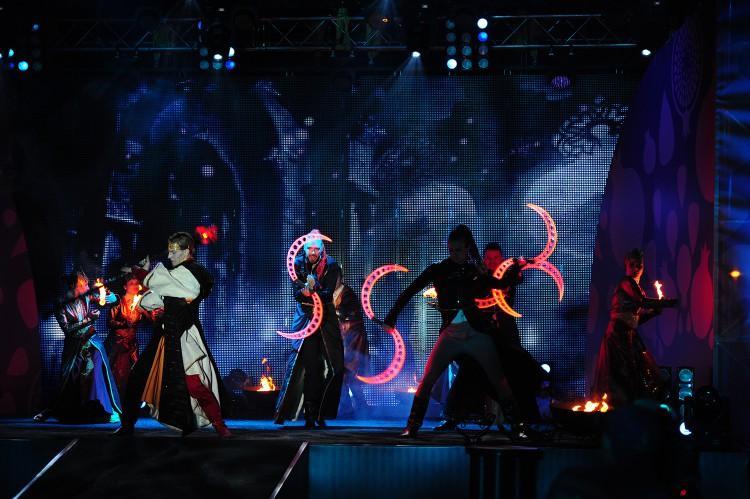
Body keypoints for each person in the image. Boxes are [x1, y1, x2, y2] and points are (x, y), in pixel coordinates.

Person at [382, 224, 528, 438]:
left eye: (458, 250)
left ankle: (519, 427)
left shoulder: (475, 272)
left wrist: (516, 268)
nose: (454, 254)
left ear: (467, 248)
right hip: (451, 334)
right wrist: (391, 318)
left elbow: (501, 283)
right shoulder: (438, 269)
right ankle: (412, 426)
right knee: (427, 379)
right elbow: (410, 290)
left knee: (498, 379)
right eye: (451, 250)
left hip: (476, 333)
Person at [114, 232, 230, 437]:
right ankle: (127, 424)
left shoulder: (194, 272)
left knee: (193, 383)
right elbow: (156, 296)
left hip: (184, 335)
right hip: (164, 334)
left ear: (186, 251)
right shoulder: (173, 275)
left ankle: (219, 424)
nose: (169, 256)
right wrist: (145, 280)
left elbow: (184, 289)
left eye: (174, 252)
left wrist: (143, 273)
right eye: (169, 251)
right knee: (137, 377)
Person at [437, 242, 545, 430]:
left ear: (502, 259)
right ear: (484, 259)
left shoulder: (507, 276)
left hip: (505, 334)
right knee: (471, 370)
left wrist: (518, 266)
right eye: (488, 258)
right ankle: (457, 416)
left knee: (513, 373)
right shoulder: (478, 278)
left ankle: (522, 419)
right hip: (482, 333)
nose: (492, 261)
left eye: (496, 258)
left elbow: (517, 278)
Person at [275, 230, 344, 428]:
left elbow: (328, 293)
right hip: (306, 319)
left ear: (322, 249)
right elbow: (296, 293)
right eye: (310, 249)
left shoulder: (332, 265)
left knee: (334, 368)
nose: (313, 252)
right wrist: (305, 292)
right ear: (304, 249)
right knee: (310, 367)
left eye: (316, 249)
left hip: (326, 320)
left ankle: (321, 412)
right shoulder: (297, 263)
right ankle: (309, 414)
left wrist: (314, 290)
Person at [592, 248, 677, 407]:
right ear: (626, 265)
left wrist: (654, 312)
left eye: (639, 265)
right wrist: (664, 303)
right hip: (617, 336)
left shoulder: (637, 288)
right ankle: (619, 408)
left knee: (633, 374)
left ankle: (630, 408)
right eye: (632, 265)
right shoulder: (627, 283)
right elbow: (642, 302)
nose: (636, 268)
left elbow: (634, 320)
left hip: (627, 335)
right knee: (621, 374)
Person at [34, 271, 121, 423]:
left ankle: (104, 409)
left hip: (91, 342)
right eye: (85, 284)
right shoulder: (61, 303)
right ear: (75, 285)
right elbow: (67, 329)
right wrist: (89, 319)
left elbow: (110, 300)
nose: (88, 287)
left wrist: (107, 293)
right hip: (74, 346)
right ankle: (59, 410)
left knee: (97, 373)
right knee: (69, 379)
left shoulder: (86, 296)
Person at [105, 274, 152, 396]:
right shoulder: (118, 302)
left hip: (132, 345)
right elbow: (109, 322)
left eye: (136, 283)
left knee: (132, 374)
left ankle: (129, 402)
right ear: (125, 287)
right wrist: (124, 323)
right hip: (118, 345)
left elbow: (151, 321)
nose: (135, 286)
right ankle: (115, 401)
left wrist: (144, 312)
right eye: (131, 284)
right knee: (117, 374)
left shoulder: (140, 302)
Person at [333, 278, 369, 417]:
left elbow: (351, 317)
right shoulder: (331, 292)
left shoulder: (347, 294)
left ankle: (356, 408)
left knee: (349, 374)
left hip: (352, 340)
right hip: (342, 340)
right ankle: (349, 407)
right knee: (343, 375)